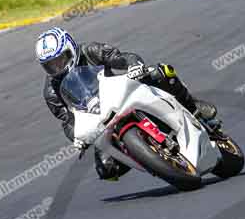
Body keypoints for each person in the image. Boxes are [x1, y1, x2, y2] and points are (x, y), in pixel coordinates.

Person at [36, 27, 217, 181]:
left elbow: (122, 57)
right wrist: (77, 138)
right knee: (107, 170)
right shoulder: (51, 91)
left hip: (123, 91)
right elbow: (68, 120)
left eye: (60, 60)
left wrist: (134, 65)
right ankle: (152, 158)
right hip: (99, 118)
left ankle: (193, 107)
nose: (57, 67)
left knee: (162, 72)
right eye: (50, 65)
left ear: (71, 48)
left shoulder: (90, 51)